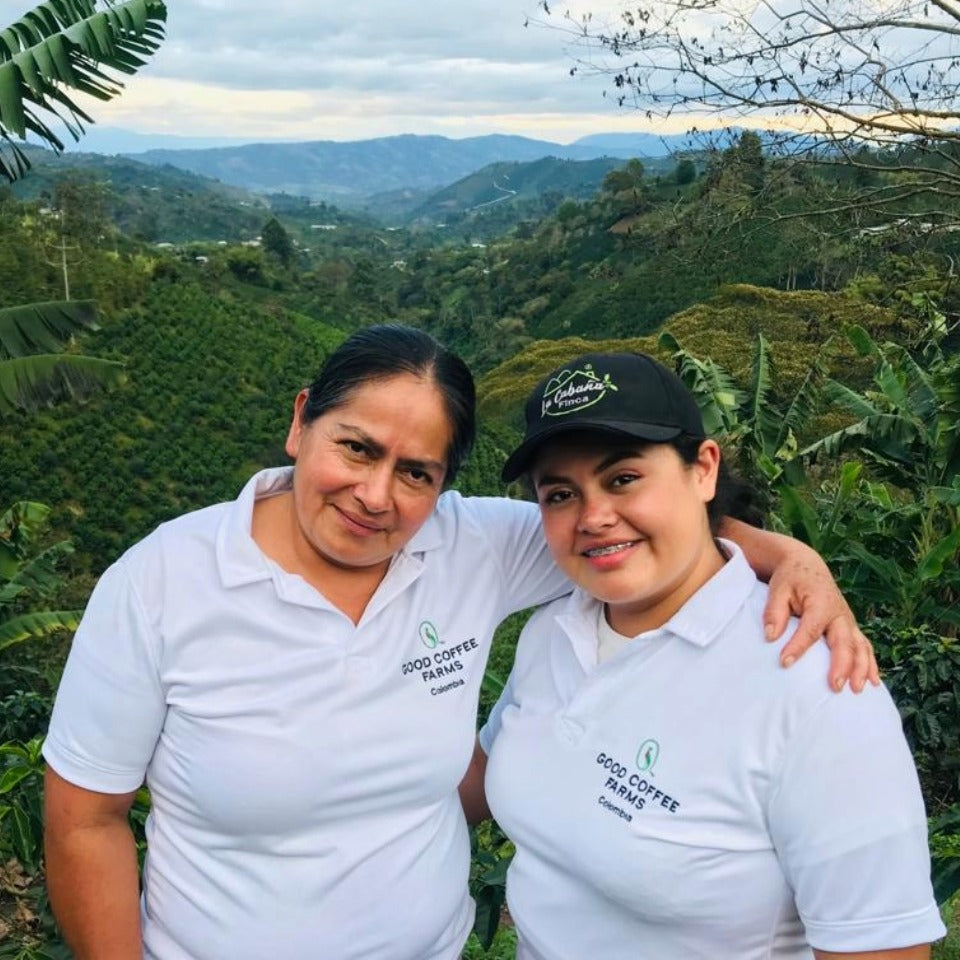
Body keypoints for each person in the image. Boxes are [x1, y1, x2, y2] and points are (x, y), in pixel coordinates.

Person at [43, 327, 876, 960]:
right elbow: (86, 820)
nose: (376, 495)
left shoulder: (473, 545)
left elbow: (625, 530)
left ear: (446, 485)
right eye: (356, 448)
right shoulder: (162, 582)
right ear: (301, 422)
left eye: (417, 472)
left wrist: (786, 555)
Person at [470, 351, 944, 959]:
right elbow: (482, 773)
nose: (593, 517)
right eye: (560, 494)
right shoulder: (555, 627)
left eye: (623, 479)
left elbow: (881, 948)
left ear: (704, 470)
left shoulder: (814, 688)